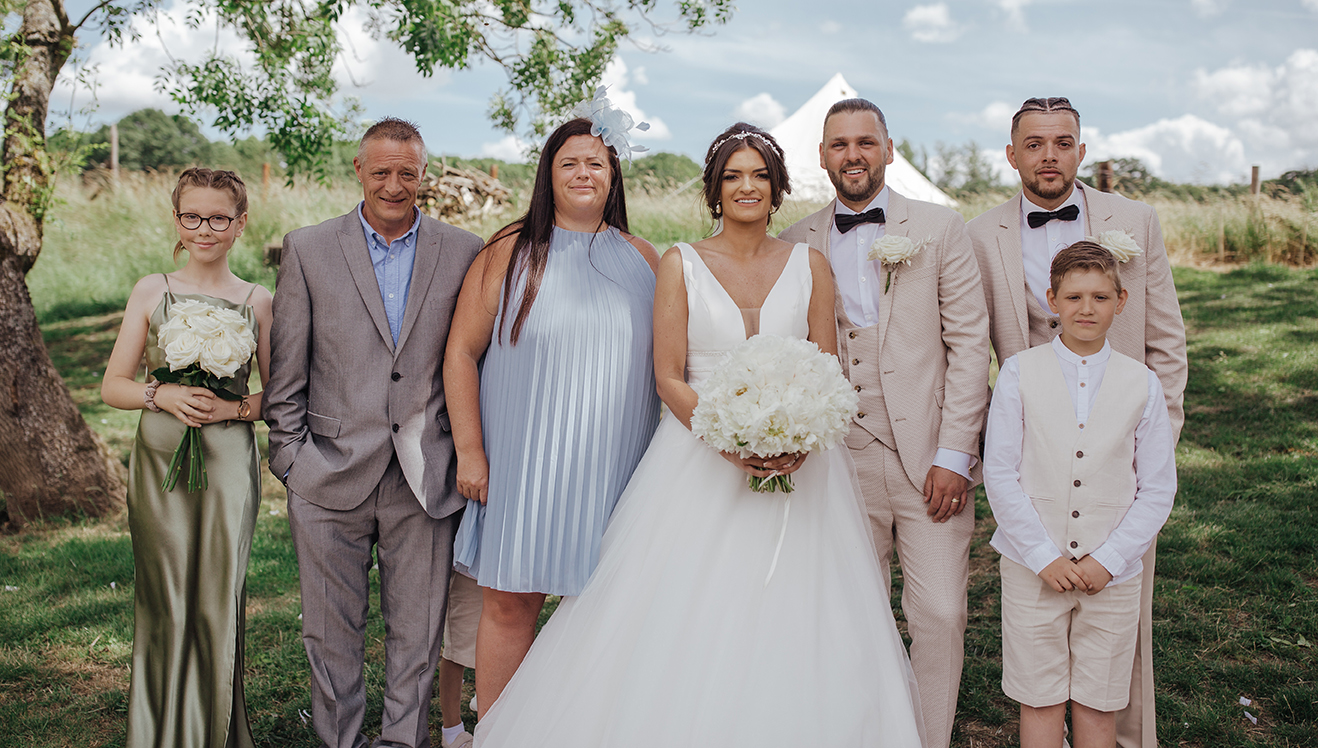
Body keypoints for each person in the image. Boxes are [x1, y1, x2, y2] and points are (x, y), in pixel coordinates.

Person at [471, 122, 925, 747]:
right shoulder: (677, 262)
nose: (747, 187)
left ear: (778, 188)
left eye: (760, 176)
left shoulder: (810, 265)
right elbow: (668, 375)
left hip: (802, 476)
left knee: (801, 612)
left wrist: (799, 436)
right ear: (714, 191)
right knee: (686, 614)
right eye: (732, 176)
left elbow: (828, 370)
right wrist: (730, 440)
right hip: (700, 461)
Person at [967, 97, 1187, 748]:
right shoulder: (980, 234)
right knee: (1040, 674)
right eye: (1034, 144)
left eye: (1063, 143)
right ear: (1013, 155)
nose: (1049, 156)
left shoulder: (1135, 220)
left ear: (1081, 151)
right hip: (1032, 445)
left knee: (1117, 638)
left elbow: (1167, 337)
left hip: (1121, 445)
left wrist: (1151, 443)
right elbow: (969, 342)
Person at [264, 118, 483, 748]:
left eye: (406, 173)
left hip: (426, 473)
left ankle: (403, 741)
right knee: (330, 632)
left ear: (423, 175)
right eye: (381, 171)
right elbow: (287, 365)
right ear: (359, 170)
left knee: (419, 631)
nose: (393, 184)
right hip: (326, 469)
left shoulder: (464, 251)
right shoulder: (308, 248)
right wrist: (290, 458)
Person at [779, 98, 990, 748]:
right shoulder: (794, 240)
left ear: (889, 150)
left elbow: (969, 346)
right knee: (851, 616)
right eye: (839, 144)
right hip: (839, 460)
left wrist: (955, 455)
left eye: (865, 142)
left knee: (941, 614)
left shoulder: (940, 227)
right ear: (822, 156)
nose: (853, 155)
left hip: (930, 457)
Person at [445, 113, 663, 715]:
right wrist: (470, 451)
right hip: (524, 463)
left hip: (617, 466)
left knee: (603, 611)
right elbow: (461, 353)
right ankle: (496, 733)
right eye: (569, 162)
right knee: (511, 602)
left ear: (614, 175)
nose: (583, 172)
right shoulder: (509, 250)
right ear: (549, 173)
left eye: (596, 162)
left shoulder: (646, 258)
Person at [101, 167, 271, 747]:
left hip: (226, 464)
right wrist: (162, 394)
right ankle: (158, 732)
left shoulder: (258, 300)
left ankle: (214, 731)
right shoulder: (152, 290)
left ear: (240, 224)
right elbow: (113, 386)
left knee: (217, 596)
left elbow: (279, 395)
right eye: (192, 216)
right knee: (165, 596)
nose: (204, 229)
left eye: (219, 218)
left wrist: (231, 409)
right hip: (159, 462)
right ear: (176, 220)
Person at [983, 241, 1176, 748]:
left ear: (1121, 301)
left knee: (1099, 702)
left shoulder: (1143, 383)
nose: (1086, 308)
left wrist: (1109, 559)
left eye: (1100, 297)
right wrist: (1042, 555)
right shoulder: (1019, 372)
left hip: (1112, 574)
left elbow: (1158, 488)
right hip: (1031, 568)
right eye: (1073, 297)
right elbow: (999, 472)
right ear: (1052, 300)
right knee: (1039, 698)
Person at [436, 569, 481, 748]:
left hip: (508, 571)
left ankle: (484, 702)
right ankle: (452, 730)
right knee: (457, 648)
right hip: (472, 567)